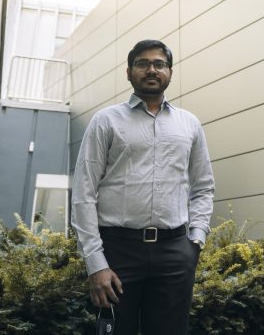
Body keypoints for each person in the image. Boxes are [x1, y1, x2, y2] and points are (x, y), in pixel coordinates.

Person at [72, 39, 214, 335]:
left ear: (170, 72)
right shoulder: (105, 121)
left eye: (159, 64)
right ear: (128, 72)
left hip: (175, 252)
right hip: (117, 252)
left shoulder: (189, 124)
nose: (152, 69)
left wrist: (195, 242)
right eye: (143, 63)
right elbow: (84, 194)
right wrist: (95, 263)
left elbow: (203, 187)